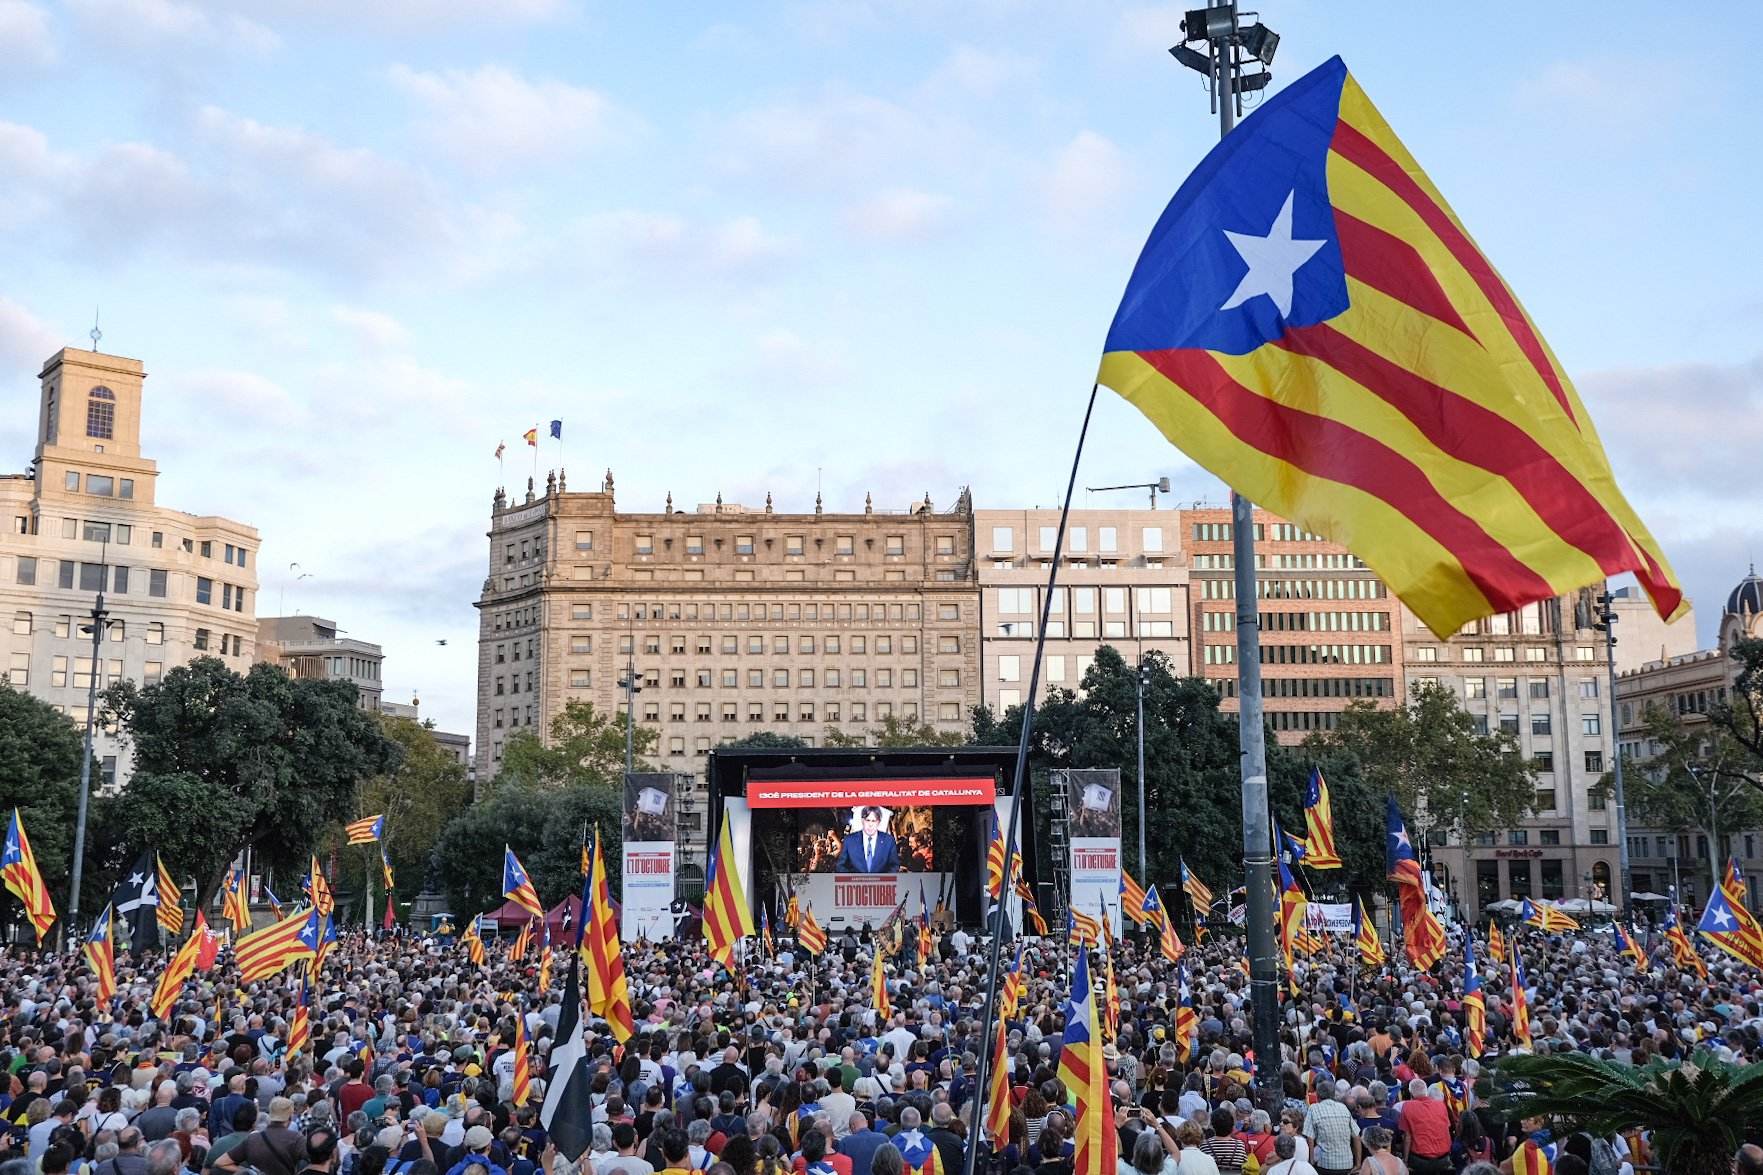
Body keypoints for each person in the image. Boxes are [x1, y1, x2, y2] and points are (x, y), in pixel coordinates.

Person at [835, 810, 900, 874]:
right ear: (863, 821)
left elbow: (894, 865)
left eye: (873, 821)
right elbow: (840, 866)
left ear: (878, 823)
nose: (870, 824)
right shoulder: (850, 842)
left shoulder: (887, 842)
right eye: (868, 820)